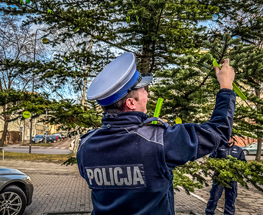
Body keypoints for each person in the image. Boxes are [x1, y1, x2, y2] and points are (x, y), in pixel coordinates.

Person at [76, 52, 236, 215]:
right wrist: (226, 86)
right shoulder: (159, 140)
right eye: (143, 90)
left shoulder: (86, 146)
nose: (147, 93)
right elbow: (218, 130)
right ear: (131, 103)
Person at [205, 140, 247, 215]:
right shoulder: (219, 148)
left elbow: (243, 162)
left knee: (231, 198)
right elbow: (211, 160)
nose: (229, 138)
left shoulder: (238, 150)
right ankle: (209, 212)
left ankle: (229, 213)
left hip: (232, 178)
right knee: (214, 196)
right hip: (219, 178)